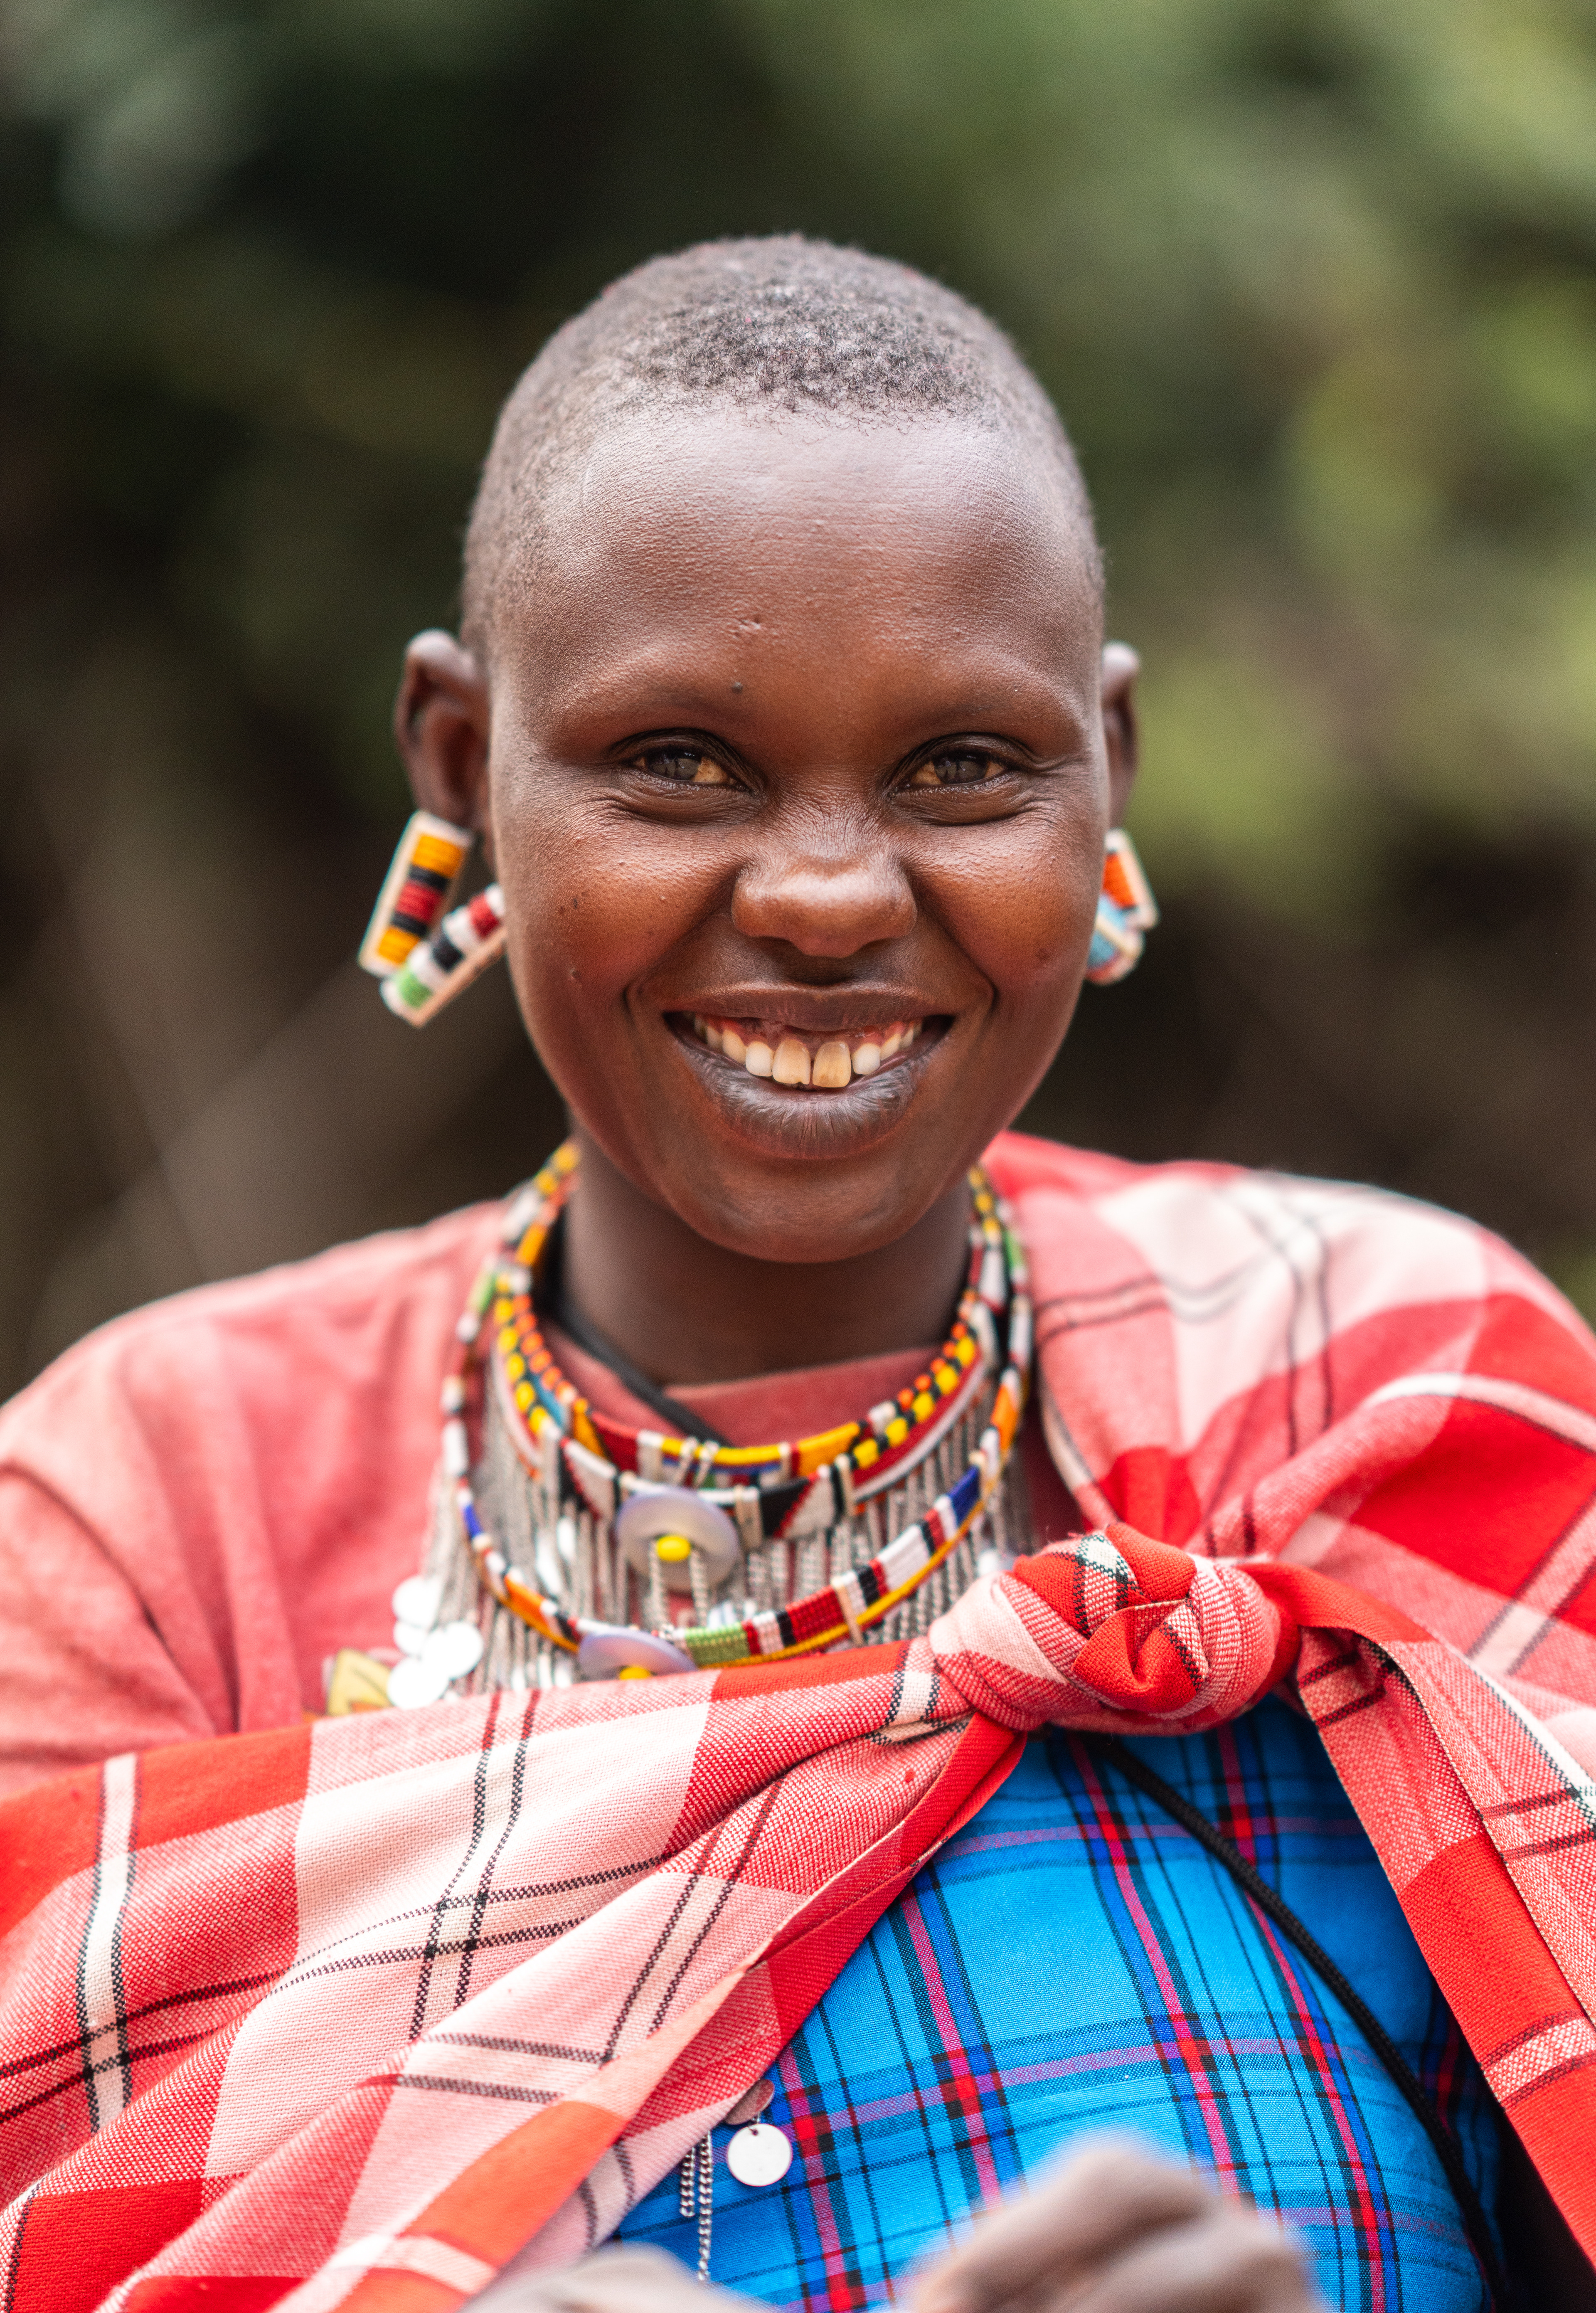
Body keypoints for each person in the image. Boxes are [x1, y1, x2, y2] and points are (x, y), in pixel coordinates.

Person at [1, 239, 1594, 2313]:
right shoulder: (145, 1506)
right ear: (462, 762)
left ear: (1106, 767)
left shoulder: (1388, 1390)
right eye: (678, 761)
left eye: (961, 768)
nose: (831, 895)